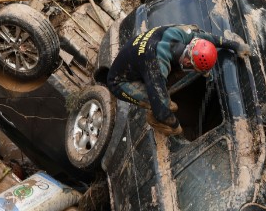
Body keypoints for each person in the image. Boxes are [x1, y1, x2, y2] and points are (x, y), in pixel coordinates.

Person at [107, 25, 250, 136]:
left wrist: (234, 45)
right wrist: (177, 129)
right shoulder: (156, 67)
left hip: (137, 56)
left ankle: (156, 88)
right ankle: (154, 119)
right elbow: (162, 112)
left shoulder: (179, 34)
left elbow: (208, 38)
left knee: (163, 89)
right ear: (188, 62)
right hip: (120, 82)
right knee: (165, 106)